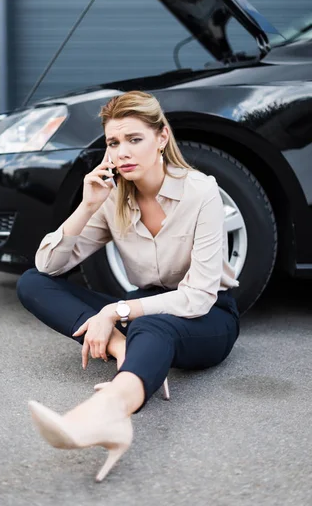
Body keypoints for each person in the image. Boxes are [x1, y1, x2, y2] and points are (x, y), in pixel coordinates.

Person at [17, 90, 240, 482]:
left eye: (134, 139)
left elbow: (198, 296)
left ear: (161, 139)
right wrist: (87, 205)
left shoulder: (200, 191)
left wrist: (115, 312)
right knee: (31, 283)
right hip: (143, 311)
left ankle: (109, 412)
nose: (122, 152)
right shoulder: (112, 198)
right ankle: (126, 350)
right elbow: (48, 265)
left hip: (208, 314)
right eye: (113, 143)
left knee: (150, 323)